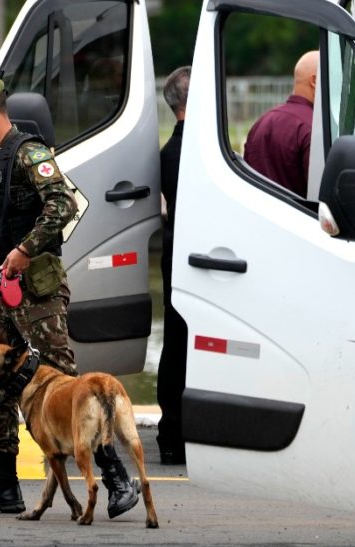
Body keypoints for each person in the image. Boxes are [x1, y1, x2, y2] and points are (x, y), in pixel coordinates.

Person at [0, 75, 141, 519]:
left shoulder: (29, 153)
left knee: (72, 386)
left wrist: (24, 250)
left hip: (37, 287)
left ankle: (115, 480)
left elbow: (63, 204)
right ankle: (3, 482)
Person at [157, 66, 190, 466]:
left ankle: (171, 433)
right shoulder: (192, 155)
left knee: (174, 340)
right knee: (187, 343)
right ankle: (179, 433)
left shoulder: (168, 152)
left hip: (171, 252)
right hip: (190, 257)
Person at [243, 50, 319, 197]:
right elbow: (319, 197)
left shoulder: (261, 122)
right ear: (315, 81)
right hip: (300, 218)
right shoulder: (313, 128)